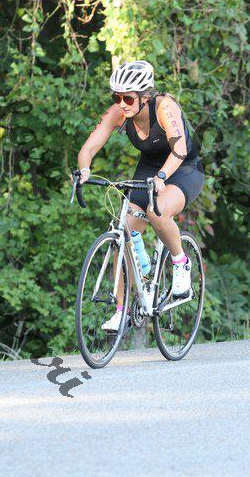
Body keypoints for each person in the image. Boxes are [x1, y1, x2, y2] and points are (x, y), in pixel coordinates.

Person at [77, 60, 205, 331]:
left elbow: (180, 149)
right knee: (123, 232)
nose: (121, 104)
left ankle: (180, 262)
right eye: (117, 97)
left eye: (127, 98)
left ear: (145, 95)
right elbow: (89, 147)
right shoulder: (119, 112)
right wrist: (84, 170)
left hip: (184, 167)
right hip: (149, 168)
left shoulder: (164, 107)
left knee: (157, 210)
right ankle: (121, 311)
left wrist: (162, 177)